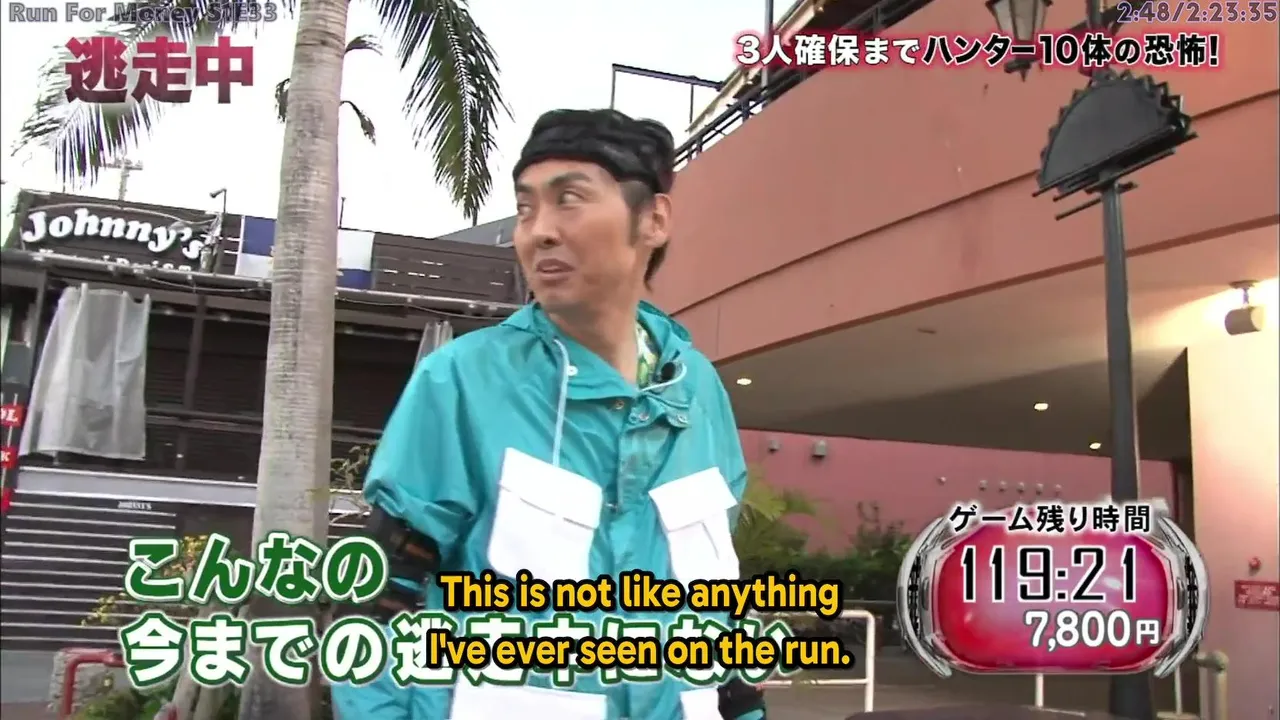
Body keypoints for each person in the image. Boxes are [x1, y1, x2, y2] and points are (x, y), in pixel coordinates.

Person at [331, 109, 766, 720]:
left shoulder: (698, 392)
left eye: (570, 200)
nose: (539, 232)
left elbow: (721, 599)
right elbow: (381, 599)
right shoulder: (462, 381)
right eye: (526, 208)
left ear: (654, 219)